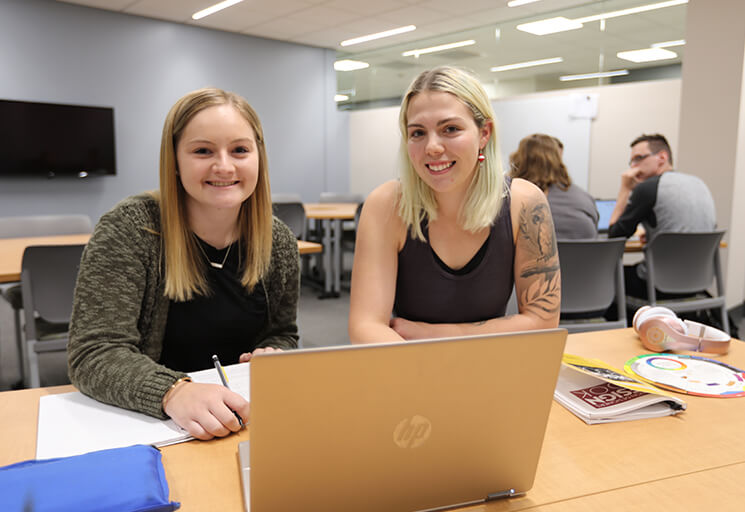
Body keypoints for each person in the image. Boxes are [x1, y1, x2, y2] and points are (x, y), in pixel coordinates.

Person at [68, 88, 300, 440]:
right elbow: (93, 353)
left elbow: (283, 333)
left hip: (241, 420)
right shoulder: (131, 229)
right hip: (150, 426)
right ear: (174, 161)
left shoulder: (278, 241)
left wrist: (275, 353)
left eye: (239, 150)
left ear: (258, 158)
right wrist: (172, 391)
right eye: (203, 151)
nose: (224, 166)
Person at [348, 66, 561, 343]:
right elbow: (366, 325)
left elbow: (542, 321)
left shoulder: (524, 203)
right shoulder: (386, 205)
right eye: (418, 133)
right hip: (410, 367)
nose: (432, 147)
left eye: (450, 129)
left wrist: (433, 334)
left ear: (484, 133)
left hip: (492, 367)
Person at [608, 133, 716, 298]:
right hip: (699, 283)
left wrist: (625, 189)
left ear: (662, 157)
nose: (633, 167)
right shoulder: (699, 183)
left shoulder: (648, 188)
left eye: (639, 158)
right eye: (632, 162)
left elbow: (614, 236)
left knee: (605, 276)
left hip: (659, 286)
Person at [509, 133, 598, 239]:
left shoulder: (512, 200)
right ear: (558, 161)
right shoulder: (585, 198)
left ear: (519, 160)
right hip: (586, 255)